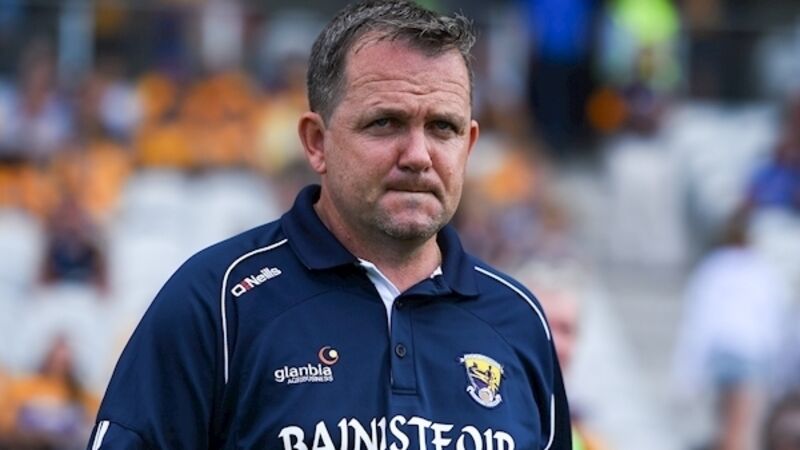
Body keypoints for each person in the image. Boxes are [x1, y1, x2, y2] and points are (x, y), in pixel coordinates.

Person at [86, 1, 571, 449]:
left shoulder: (519, 321)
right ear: (316, 142)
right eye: (385, 123)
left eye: (442, 128)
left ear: (469, 145)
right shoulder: (216, 302)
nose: (418, 156)